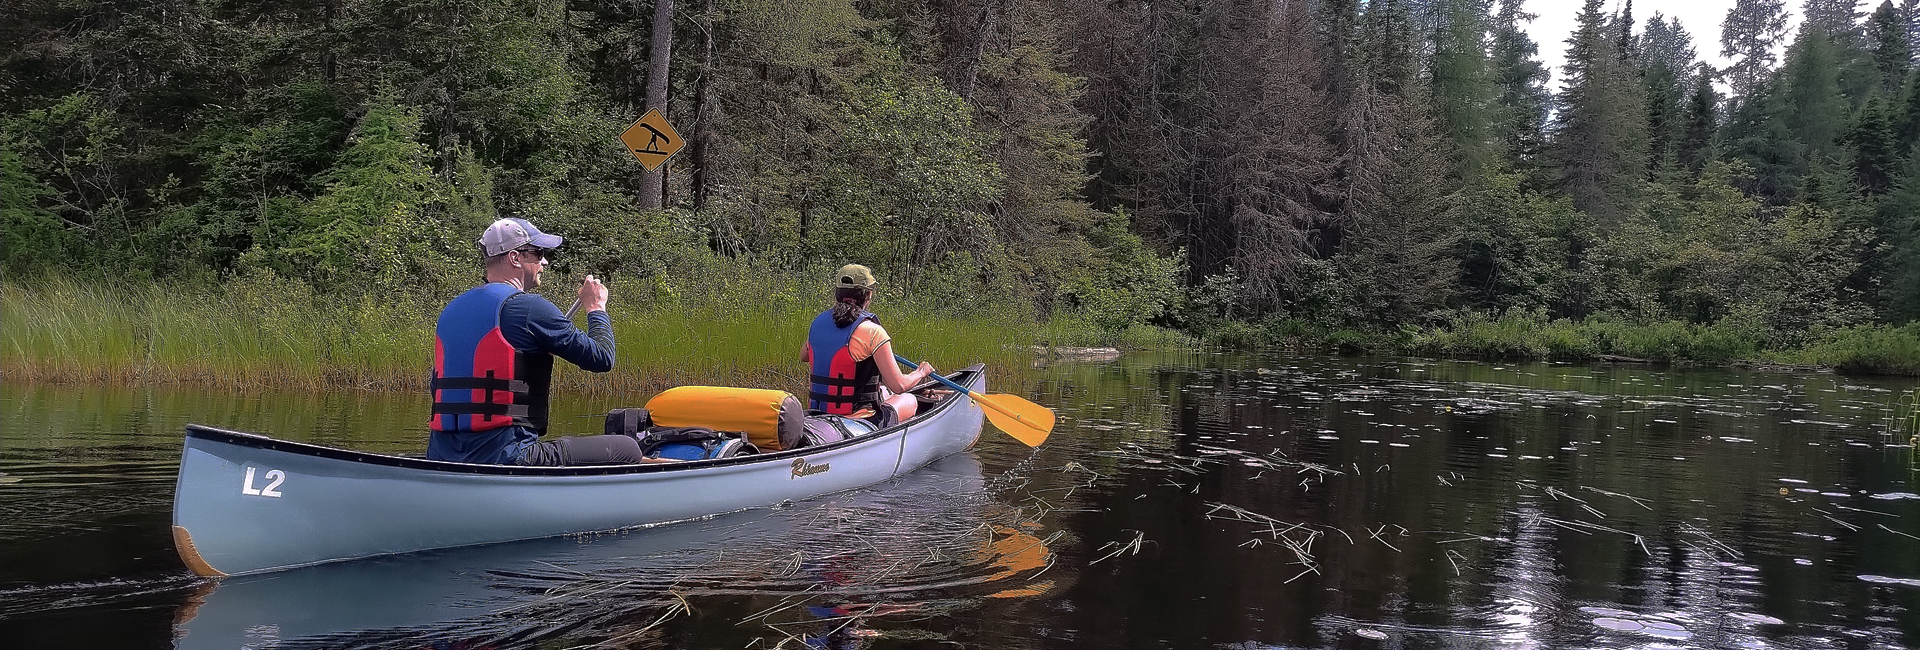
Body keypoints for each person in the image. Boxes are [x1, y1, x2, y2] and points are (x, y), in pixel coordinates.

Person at [427, 217, 650, 466]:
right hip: (510, 457)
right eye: (538, 253)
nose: (544, 262)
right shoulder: (529, 308)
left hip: (440, 456)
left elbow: (438, 386)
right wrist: (596, 307)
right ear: (515, 258)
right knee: (627, 448)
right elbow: (602, 357)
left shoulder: (451, 311)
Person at [801, 264, 935, 426]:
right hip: (857, 419)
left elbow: (804, 356)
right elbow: (899, 386)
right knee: (909, 399)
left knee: (884, 390)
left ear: (837, 293)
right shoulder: (873, 332)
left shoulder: (818, 324)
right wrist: (921, 372)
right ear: (868, 294)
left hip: (818, 413)